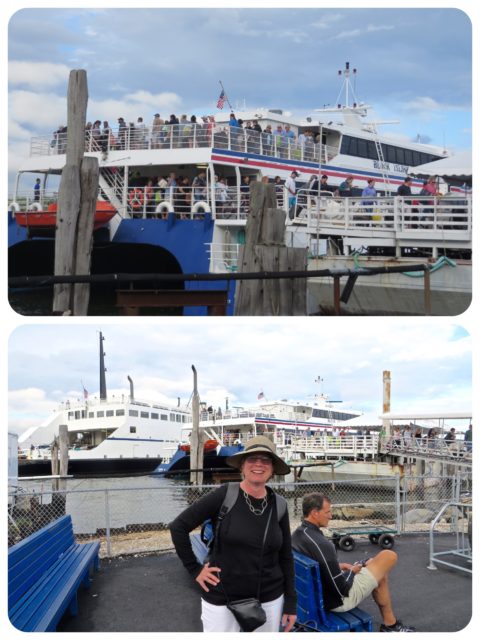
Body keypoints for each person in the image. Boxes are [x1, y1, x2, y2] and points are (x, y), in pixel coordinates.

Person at [170, 436, 297, 633]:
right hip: (222, 598)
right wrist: (195, 570)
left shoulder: (279, 504)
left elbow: (286, 556)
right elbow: (178, 527)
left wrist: (290, 602)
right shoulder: (225, 495)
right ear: (242, 466)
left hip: (270, 598)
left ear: (272, 469)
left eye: (265, 460)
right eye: (252, 459)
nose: (258, 464)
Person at [292, 493, 415, 632]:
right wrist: (352, 571)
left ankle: (390, 624)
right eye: (327, 512)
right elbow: (341, 590)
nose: (331, 516)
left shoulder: (297, 535)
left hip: (315, 596)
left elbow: (317, 566)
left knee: (376, 568)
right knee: (388, 556)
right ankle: (390, 625)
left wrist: (339, 566)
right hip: (337, 601)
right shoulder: (323, 544)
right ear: (314, 513)